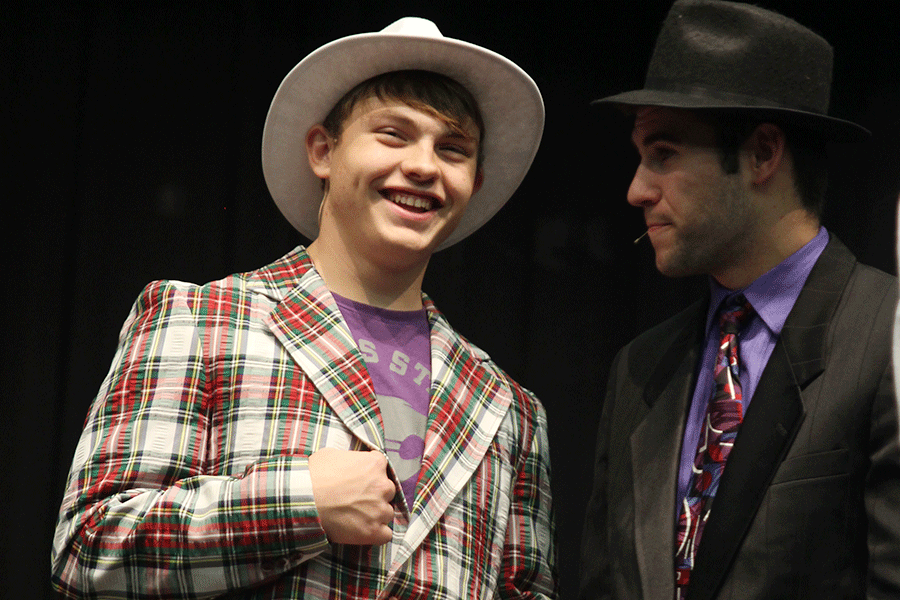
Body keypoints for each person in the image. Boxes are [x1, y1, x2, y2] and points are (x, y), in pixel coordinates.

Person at [52, 17, 556, 599]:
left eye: (453, 149)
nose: (424, 165)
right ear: (323, 150)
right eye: (393, 134)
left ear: (474, 181)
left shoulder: (510, 409)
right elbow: (88, 551)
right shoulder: (202, 318)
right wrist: (298, 504)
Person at [579, 1, 900, 599]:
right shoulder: (641, 368)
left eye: (664, 154)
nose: (636, 189)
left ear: (762, 154)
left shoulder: (889, 339)